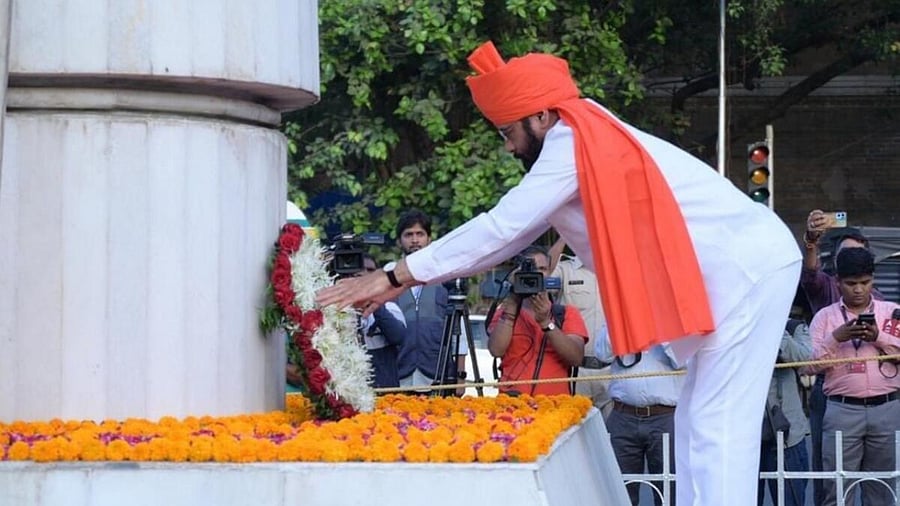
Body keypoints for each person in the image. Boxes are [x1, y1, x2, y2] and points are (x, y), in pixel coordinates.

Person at [317, 41, 801, 505]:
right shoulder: (581, 135)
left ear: (542, 115)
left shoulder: (571, 143)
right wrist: (402, 277)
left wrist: (394, 276)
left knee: (716, 424)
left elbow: (500, 228)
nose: (508, 148)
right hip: (741, 274)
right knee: (698, 420)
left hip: (749, 270)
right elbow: (508, 238)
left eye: (509, 133)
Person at [800, 210, 883, 505]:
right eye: (847, 255)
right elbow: (810, 274)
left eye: (860, 255)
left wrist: (879, 338)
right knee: (832, 475)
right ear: (837, 274)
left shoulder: (883, 303)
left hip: (882, 401)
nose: (858, 287)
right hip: (833, 394)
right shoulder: (825, 291)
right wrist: (811, 240)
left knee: (881, 482)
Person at [806, 247, 900, 506]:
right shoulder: (825, 317)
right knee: (837, 487)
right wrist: (837, 338)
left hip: (887, 407)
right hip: (842, 409)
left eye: (865, 282)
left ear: (873, 280)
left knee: (881, 488)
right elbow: (807, 365)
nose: (858, 289)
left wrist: (878, 338)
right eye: (850, 283)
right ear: (837, 283)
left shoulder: (891, 311)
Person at [487, 245, 587, 396]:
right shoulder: (505, 312)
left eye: (542, 268)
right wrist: (513, 301)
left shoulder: (566, 313)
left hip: (554, 408)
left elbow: (575, 358)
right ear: (516, 274)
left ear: (549, 272)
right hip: (511, 405)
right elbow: (496, 350)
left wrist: (547, 323)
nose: (536, 274)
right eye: (529, 269)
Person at [595, 334, 682, 506]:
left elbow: (682, 359)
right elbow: (602, 354)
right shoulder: (622, 310)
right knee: (618, 490)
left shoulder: (672, 314)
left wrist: (655, 325)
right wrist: (623, 323)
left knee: (670, 491)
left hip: (665, 418)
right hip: (623, 415)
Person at [392, 210, 467, 393]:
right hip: (398, 375)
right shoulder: (389, 276)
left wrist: (460, 377)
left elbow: (460, 333)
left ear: (429, 239)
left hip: (437, 374)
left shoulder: (445, 277)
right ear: (399, 241)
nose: (415, 240)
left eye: (420, 234)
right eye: (408, 235)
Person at [549, 237, 612, 414]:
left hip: (612, 371)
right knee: (575, 434)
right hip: (577, 372)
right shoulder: (565, 269)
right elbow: (543, 274)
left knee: (610, 439)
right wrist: (563, 235)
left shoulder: (616, 269)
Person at [757, 318, 811, 506]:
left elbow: (805, 358)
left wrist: (773, 324)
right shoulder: (735, 322)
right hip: (743, 432)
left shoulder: (792, 326)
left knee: (790, 500)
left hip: (787, 432)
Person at [357, 254, 407, 389]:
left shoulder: (391, 307)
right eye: (360, 269)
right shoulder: (338, 311)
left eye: (371, 270)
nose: (365, 274)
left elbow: (398, 337)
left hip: (385, 388)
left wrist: (376, 304)